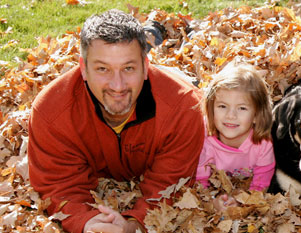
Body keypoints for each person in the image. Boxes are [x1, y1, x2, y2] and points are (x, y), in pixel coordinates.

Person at [27, 9, 205, 233]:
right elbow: (57, 184)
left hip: (168, 84)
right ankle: (150, 33)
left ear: (145, 67)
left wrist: (136, 222)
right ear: (83, 68)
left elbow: (171, 183)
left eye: (128, 68)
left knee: (185, 82)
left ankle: (158, 33)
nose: (117, 85)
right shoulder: (51, 111)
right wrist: (84, 220)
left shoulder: (184, 108)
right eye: (103, 69)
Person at [195, 63, 275, 212]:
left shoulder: (262, 144)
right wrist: (212, 203)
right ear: (211, 108)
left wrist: (244, 201)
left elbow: (261, 183)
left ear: (257, 115)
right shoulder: (204, 138)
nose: (231, 116)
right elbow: (200, 182)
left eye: (242, 108)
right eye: (222, 106)